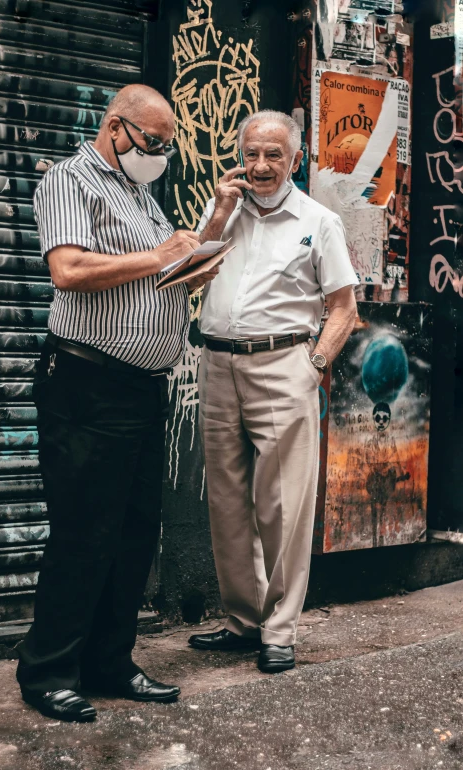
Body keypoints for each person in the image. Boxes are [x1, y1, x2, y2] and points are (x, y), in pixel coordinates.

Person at [16, 84, 219, 722]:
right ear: (116, 128)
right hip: (87, 382)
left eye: (166, 146)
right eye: (152, 143)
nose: (158, 155)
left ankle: (110, 660)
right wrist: (157, 254)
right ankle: (48, 671)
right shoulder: (71, 180)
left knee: (134, 532)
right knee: (83, 533)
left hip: (139, 386)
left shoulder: (138, 192)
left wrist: (190, 260)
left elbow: (149, 270)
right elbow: (69, 270)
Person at [189, 110, 358, 673]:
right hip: (216, 366)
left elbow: (343, 309)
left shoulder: (319, 221)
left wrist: (312, 367)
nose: (261, 166)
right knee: (228, 504)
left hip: (284, 365)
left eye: (274, 156)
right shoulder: (225, 213)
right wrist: (217, 215)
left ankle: (280, 630)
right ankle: (242, 620)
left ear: (295, 159)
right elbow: (189, 277)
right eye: (252, 154)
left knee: (283, 506)